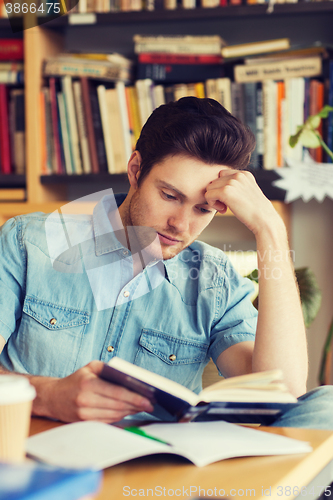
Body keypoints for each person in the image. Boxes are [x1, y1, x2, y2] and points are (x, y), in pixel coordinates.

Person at [0, 97, 331, 427]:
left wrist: (269, 228)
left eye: (203, 209)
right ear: (135, 170)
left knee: (324, 406)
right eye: (170, 196)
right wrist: (48, 395)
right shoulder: (28, 242)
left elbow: (283, 393)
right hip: (38, 460)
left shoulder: (214, 282)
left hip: (153, 472)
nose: (181, 225)